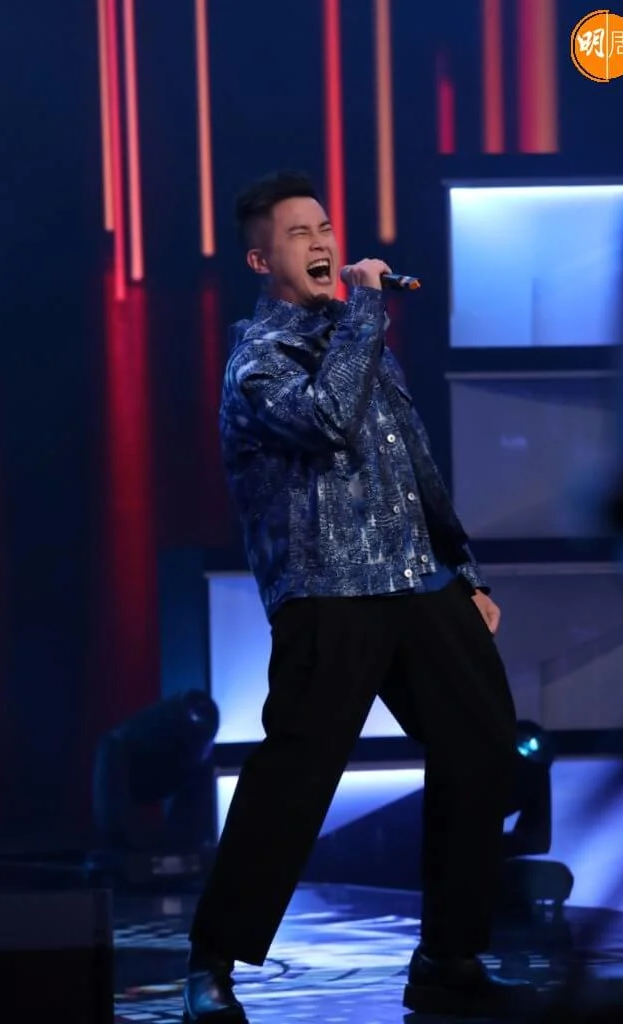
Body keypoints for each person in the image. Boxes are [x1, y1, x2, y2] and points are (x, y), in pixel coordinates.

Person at [183, 171, 531, 1021]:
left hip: (417, 580)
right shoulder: (258, 360)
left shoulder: (359, 340)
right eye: (298, 233)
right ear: (261, 260)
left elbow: (414, 465)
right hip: (328, 591)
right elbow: (326, 419)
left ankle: (447, 956)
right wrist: (366, 310)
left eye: (324, 227)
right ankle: (210, 964)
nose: (321, 243)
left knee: (485, 748)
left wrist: (464, 570)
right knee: (294, 777)